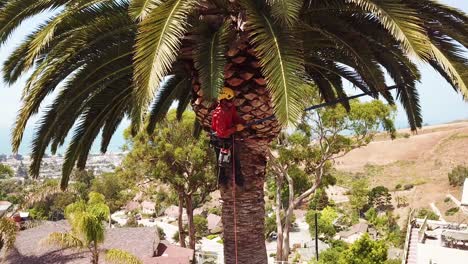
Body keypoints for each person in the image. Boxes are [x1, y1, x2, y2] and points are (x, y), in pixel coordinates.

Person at [211, 87, 246, 186]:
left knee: (236, 159)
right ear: (223, 101)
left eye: (232, 100)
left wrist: (242, 123)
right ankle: (222, 181)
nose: (232, 102)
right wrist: (235, 129)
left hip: (228, 135)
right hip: (219, 140)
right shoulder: (219, 114)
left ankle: (239, 180)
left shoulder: (231, 108)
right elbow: (221, 133)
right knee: (221, 162)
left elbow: (235, 117)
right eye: (230, 100)